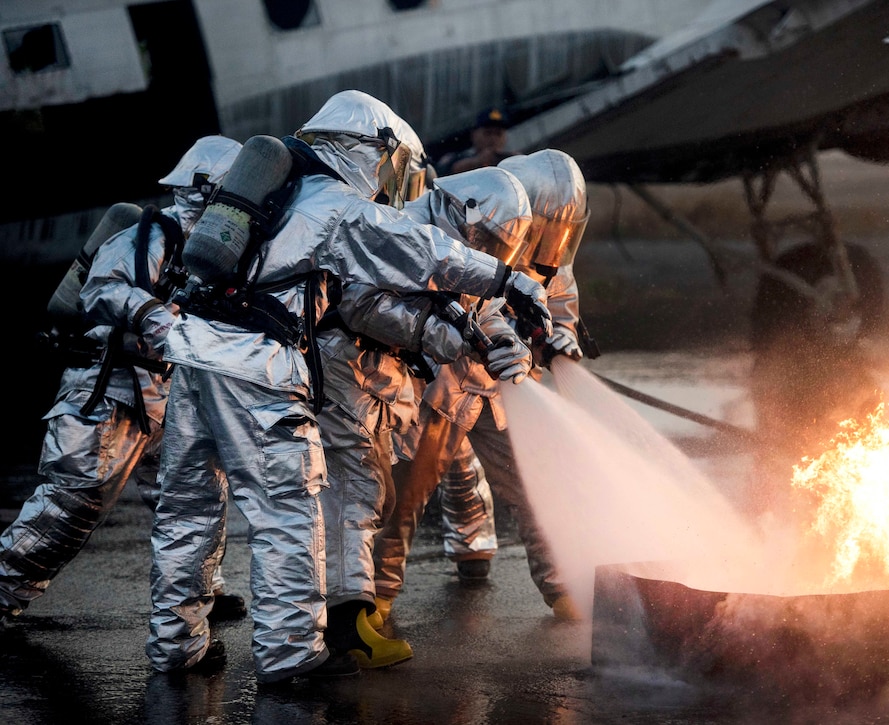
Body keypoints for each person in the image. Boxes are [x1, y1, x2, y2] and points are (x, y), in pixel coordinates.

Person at [142, 89, 552, 684]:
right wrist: (507, 280)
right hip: (256, 363)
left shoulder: (280, 191)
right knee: (289, 508)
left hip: (196, 350)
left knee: (189, 508)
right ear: (368, 150)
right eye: (390, 165)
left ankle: (176, 648)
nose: (389, 183)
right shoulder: (333, 203)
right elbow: (422, 249)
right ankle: (292, 659)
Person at [0, 136, 245, 625]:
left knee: (193, 497)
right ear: (210, 191)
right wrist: (162, 323)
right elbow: (103, 289)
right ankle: (3, 591)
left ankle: (199, 593)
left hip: (169, 390)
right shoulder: (150, 238)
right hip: (107, 383)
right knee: (72, 500)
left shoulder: (217, 253)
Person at [315, 163, 534, 667]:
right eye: (484, 240)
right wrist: (442, 336)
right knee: (363, 499)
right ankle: (345, 626)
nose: (486, 254)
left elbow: (484, 311)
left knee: (371, 497)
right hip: (352, 381)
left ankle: (347, 617)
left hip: (390, 391)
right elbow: (359, 303)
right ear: (462, 211)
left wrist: (507, 347)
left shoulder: (460, 246)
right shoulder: (394, 232)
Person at [372, 148, 590, 622]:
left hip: (505, 388)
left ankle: (564, 588)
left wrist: (559, 342)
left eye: (561, 231)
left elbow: (562, 306)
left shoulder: (551, 256)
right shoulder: (481, 226)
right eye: (545, 227)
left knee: (539, 484)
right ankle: (374, 602)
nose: (551, 243)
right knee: (405, 494)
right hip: (441, 387)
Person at [435, 107, 515, 176]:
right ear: (474, 135)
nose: (493, 138)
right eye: (488, 133)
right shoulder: (457, 158)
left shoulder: (511, 160)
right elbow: (448, 171)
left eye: (498, 134)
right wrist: (478, 161)